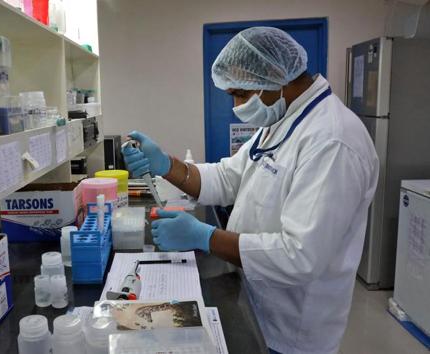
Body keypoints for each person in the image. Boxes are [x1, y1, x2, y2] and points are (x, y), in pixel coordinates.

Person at [122, 27, 378, 354]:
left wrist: (204, 236)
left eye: (241, 94)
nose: (236, 105)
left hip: (294, 328)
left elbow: (300, 256)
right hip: (258, 301)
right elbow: (230, 177)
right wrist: (166, 165)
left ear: (277, 80)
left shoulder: (333, 142)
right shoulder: (283, 119)